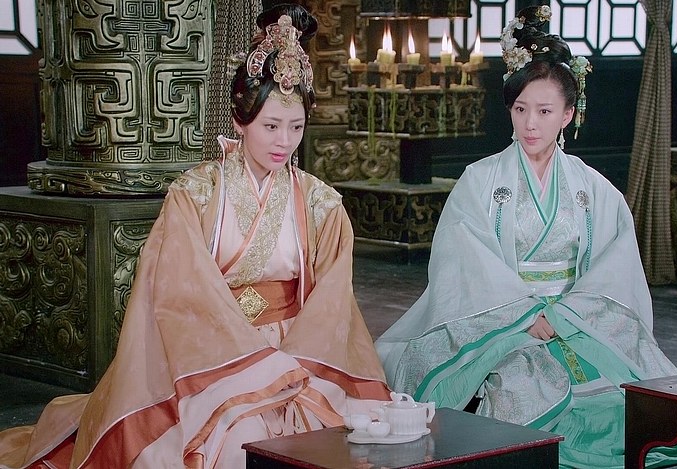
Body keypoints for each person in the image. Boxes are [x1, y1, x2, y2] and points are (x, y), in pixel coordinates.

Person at [0, 4, 389, 468]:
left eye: (296, 127)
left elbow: (332, 305)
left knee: (330, 427)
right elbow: (181, 293)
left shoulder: (321, 203)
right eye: (270, 126)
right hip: (208, 349)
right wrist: (253, 363)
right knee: (239, 434)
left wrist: (290, 363)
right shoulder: (196, 194)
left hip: (300, 346)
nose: (284, 141)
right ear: (239, 121)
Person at [375, 6, 677, 468]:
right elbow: (463, 260)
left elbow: (616, 262)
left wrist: (567, 313)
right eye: (521, 109)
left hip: (575, 315)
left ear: (567, 114)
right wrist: (524, 315)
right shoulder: (480, 180)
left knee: (627, 392)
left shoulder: (593, 188)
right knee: (520, 385)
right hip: (502, 318)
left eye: (544, 111)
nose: (530, 124)